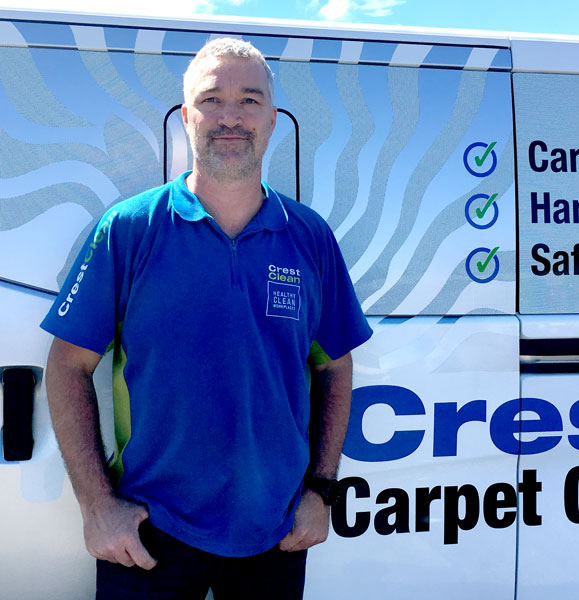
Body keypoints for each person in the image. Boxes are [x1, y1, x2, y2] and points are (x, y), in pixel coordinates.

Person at [40, 37, 372, 599]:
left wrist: (320, 491)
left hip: (277, 532)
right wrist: (98, 506)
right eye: (212, 99)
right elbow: (68, 365)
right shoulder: (130, 229)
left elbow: (335, 368)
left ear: (272, 118)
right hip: (149, 534)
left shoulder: (309, 236)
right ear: (186, 115)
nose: (230, 118)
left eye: (249, 100)